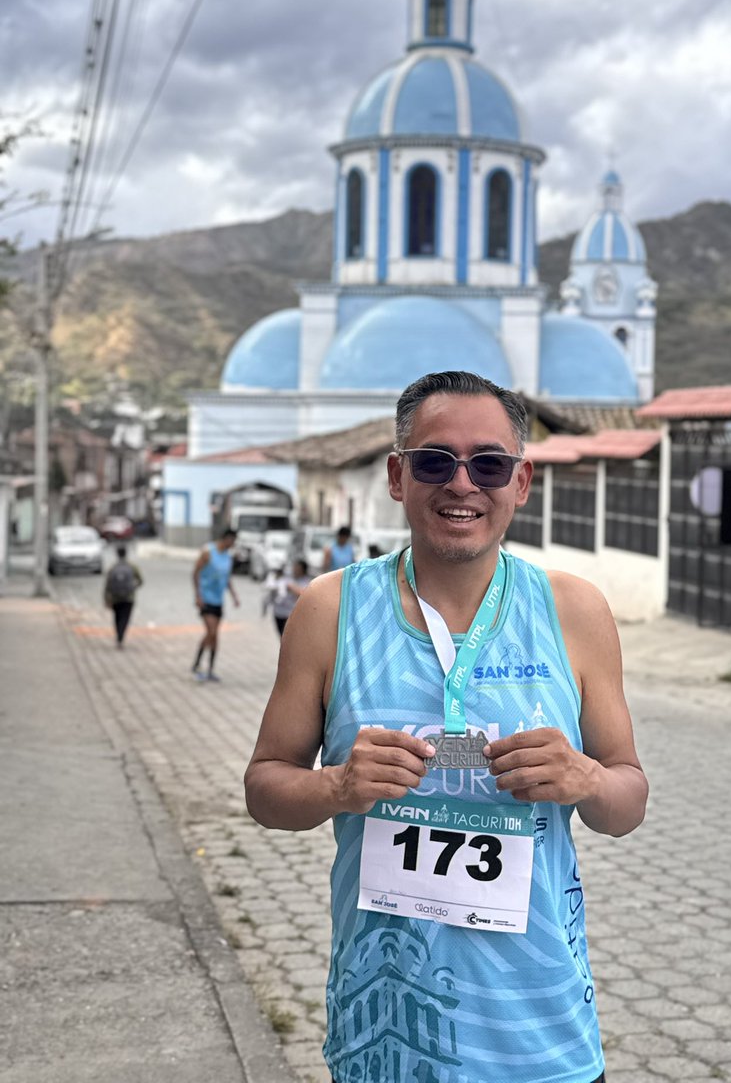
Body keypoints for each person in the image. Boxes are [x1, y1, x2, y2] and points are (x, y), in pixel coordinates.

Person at [245, 370, 648, 1083]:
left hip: (540, 1037)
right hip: (388, 1039)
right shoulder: (331, 610)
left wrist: (585, 778)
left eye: (488, 463)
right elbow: (264, 789)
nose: (462, 484)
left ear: (520, 483)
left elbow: (627, 801)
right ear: (399, 476)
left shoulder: (574, 612)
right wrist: (338, 787)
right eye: (436, 462)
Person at [191, 528, 240, 681]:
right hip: (206, 599)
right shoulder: (208, 552)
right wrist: (198, 595)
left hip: (218, 601)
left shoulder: (228, 557)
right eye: (231, 541)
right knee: (211, 632)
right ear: (225, 539)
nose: (232, 544)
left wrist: (234, 596)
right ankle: (197, 663)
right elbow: (195, 573)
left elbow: (227, 578)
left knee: (215, 635)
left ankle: (210, 668)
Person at [103, 544, 143, 649]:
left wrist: (107, 599)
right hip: (129, 597)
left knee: (117, 617)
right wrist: (132, 587)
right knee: (125, 618)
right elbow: (140, 581)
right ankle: (121, 637)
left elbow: (107, 585)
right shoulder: (132, 567)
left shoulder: (113, 568)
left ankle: (118, 636)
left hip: (115, 597)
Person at [262, 558, 311, 638]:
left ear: (303, 570)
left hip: (290, 615)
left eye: (297, 568)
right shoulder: (287, 577)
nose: (295, 569)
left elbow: (303, 594)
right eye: (294, 567)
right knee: (281, 637)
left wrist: (291, 587)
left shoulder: (307, 582)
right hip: (278, 612)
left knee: (287, 638)